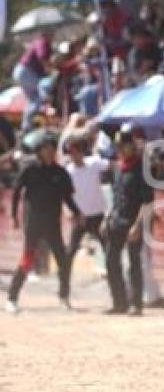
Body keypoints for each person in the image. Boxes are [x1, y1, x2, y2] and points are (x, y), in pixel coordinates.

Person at [6, 133, 82, 313]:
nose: (49, 152)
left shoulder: (60, 173)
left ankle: (64, 297)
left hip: (52, 222)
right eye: (45, 149)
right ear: (39, 151)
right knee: (27, 259)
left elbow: (67, 197)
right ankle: (12, 298)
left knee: (62, 260)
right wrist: (14, 217)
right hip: (33, 221)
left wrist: (77, 212)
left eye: (51, 149)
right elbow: (17, 192)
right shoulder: (30, 169)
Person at [102, 126, 154, 315]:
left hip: (133, 221)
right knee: (111, 261)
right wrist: (108, 215)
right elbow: (115, 196)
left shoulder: (141, 169)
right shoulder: (118, 167)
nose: (121, 149)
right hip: (117, 219)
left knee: (134, 263)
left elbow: (147, 201)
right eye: (119, 146)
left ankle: (136, 303)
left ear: (132, 146)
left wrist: (138, 225)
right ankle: (119, 301)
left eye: (124, 145)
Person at [65, 137, 110, 290]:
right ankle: (64, 289)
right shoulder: (68, 172)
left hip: (98, 214)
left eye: (75, 151)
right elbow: (65, 195)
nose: (73, 155)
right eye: (71, 152)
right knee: (70, 252)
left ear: (81, 152)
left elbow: (112, 166)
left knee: (108, 250)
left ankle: (115, 288)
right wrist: (71, 213)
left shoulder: (94, 163)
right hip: (80, 216)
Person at [14, 31, 53, 132]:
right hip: (27, 72)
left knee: (32, 101)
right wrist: (50, 70)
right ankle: (29, 125)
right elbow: (42, 57)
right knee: (42, 94)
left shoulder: (37, 42)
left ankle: (27, 126)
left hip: (22, 71)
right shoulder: (42, 42)